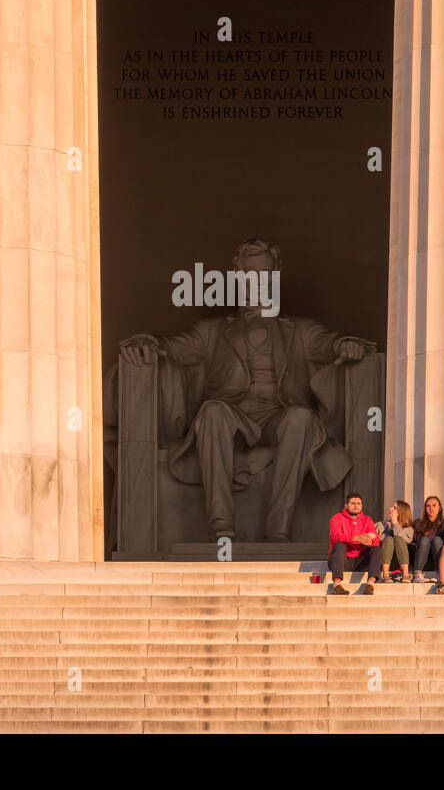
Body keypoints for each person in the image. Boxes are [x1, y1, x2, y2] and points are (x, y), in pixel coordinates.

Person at [118, 239, 376, 541]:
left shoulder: (302, 331)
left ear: (275, 275)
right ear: (237, 278)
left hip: (278, 417)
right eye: (249, 275)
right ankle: (220, 526)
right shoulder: (210, 332)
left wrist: (344, 345)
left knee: (301, 418)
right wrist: (148, 341)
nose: (257, 283)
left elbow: (329, 343)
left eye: (264, 274)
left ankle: (278, 529)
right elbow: (173, 347)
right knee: (212, 411)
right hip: (232, 416)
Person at [327, 492, 381, 595]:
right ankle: (336, 585)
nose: (356, 506)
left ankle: (370, 585)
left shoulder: (367, 520)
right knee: (339, 544)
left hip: (360, 561)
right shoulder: (337, 518)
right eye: (353, 503)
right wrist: (355, 538)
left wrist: (370, 541)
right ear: (346, 506)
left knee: (376, 548)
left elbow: (376, 539)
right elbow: (335, 536)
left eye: (358, 503)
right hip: (342, 561)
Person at [410, 494, 444, 583]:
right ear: (425, 509)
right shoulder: (417, 523)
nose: (431, 508)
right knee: (424, 540)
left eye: (434, 505)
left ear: (440, 508)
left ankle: (439, 573)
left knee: (437, 540)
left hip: (438, 560)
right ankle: (417, 575)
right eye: (428, 506)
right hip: (422, 561)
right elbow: (411, 543)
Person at [376, 500, 414, 582]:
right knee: (389, 539)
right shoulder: (381, 524)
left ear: (401, 512)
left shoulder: (409, 529)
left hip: (401, 561)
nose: (390, 509)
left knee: (399, 539)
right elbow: (375, 537)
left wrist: (395, 523)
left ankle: (406, 575)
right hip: (385, 560)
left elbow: (407, 540)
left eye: (394, 508)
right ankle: (385, 574)